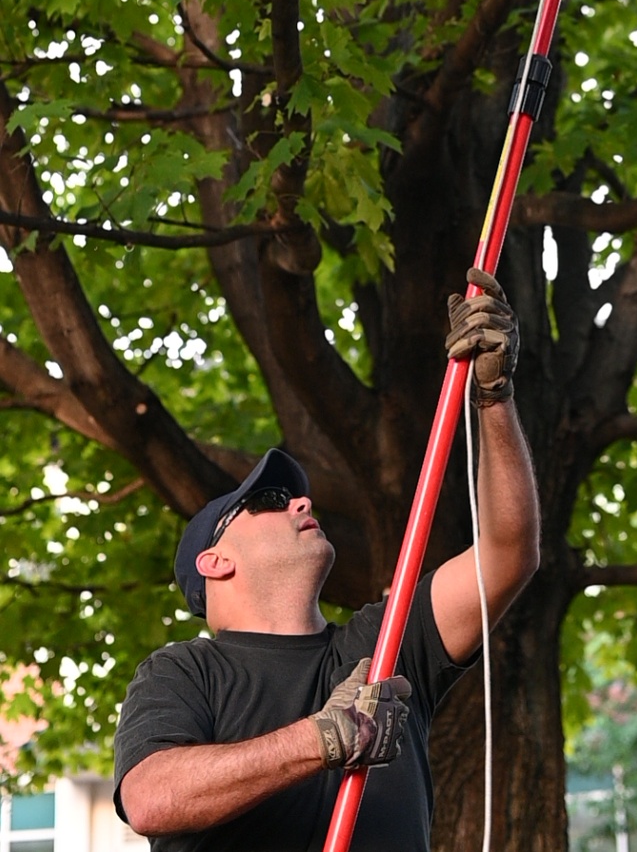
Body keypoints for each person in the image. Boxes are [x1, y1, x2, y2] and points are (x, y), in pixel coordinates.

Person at [114, 269, 539, 851]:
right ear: (215, 562)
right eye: (268, 501)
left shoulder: (387, 643)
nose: (302, 500)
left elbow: (508, 552)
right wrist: (319, 740)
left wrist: (494, 399)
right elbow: (151, 798)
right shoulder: (184, 673)